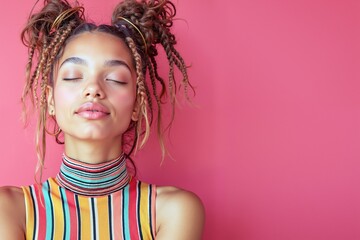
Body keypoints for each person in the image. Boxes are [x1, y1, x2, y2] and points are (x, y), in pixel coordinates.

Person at [0, 0, 205, 239]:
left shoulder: (172, 211)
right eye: (74, 76)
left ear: (138, 104)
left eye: (116, 79)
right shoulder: (11, 210)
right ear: (50, 100)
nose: (93, 89)